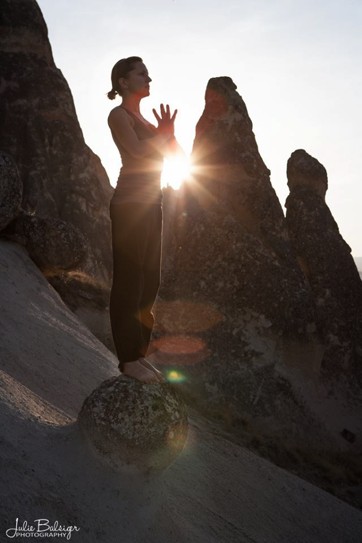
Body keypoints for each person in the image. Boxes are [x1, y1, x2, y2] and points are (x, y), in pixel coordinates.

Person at [107, 56, 178, 384]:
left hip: (153, 203)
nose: (148, 78)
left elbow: (175, 154)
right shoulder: (118, 115)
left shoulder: (147, 121)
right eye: (141, 74)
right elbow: (136, 152)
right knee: (129, 281)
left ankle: (141, 353)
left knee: (150, 282)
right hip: (130, 204)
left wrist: (169, 133)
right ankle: (128, 360)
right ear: (123, 82)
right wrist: (162, 136)